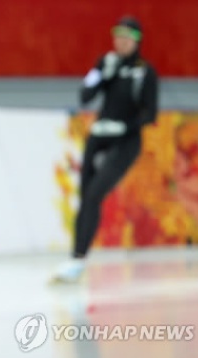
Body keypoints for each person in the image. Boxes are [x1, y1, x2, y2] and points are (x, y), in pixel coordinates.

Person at [51, 16, 158, 283]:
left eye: (126, 38)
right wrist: (102, 75)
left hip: (125, 141)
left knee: (96, 192)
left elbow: (150, 113)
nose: (120, 43)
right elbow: (85, 95)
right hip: (98, 137)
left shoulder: (145, 72)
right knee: (86, 196)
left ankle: (77, 260)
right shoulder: (105, 63)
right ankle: (77, 258)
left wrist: (125, 127)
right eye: (117, 37)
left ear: (136, 41)